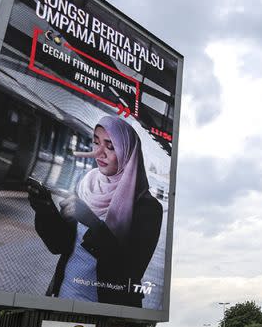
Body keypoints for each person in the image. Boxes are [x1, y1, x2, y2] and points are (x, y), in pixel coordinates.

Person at [29, 115, 162, 306]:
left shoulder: (147, 208)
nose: (99, 153)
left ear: (128, 153)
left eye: (110, 146)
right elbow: (59, 245)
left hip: (108, 312)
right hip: (62, 297)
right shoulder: (86, 185)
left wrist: (92, 222)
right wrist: (45, 209)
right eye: (96, 143)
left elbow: (130, 272)